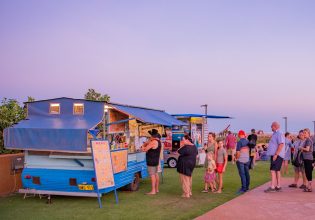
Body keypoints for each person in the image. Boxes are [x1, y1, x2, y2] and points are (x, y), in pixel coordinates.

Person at [264, 122, 285, 193]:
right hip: (276, 155)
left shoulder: (279, 133)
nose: (271, 128)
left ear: (275, 126)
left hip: (277, 155)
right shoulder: (275, 134)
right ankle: (278, 186)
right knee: (277, 171)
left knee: (273, 170)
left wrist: (276, 154)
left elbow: (281, 144)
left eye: (271, 126)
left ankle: (272, 187)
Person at [141, 129, 162, 195]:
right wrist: (147, 143)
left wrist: (142, 147)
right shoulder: (158, 141)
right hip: (155, 160)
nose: (149, 137)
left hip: (151, 161)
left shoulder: (153, 142)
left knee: (152, 175)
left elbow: (144, 149)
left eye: (150, 136)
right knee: (155, 174)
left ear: (152, 136)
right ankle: (156, 189)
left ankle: (153, 191)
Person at [177, 134, 198, 198]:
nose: (182, 141)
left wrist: (182, 145)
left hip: (184, 164)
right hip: (191, 164)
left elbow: (178, 151)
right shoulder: (194, 146)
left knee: (184, 179)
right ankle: (189, 191)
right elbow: (196, 154)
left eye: (183, 140)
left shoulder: (186, 147)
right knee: (189, 178)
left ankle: (186, 193)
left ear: (187, 140)